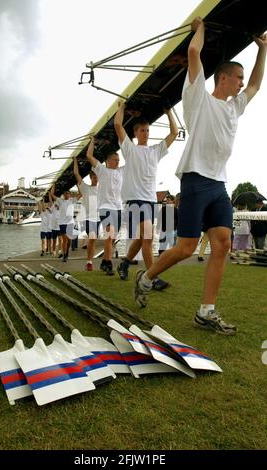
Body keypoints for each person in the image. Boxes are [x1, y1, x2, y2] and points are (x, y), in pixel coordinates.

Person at [134, 17, 267, 335]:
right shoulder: (198, 99)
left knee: (222, 243)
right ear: (222, 78)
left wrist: (263, 49)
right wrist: (201, 27)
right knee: (186, 248)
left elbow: (256, 86)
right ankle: (147, 277)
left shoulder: (235, 108)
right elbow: (194, 54)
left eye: (241, 78)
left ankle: (206, 312)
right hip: (194, 179)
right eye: (237, 77)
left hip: (219, 183)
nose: (240, 83)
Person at [114, 102, 178, 290]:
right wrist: (122, 108)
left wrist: (168, 112)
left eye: (148, 130)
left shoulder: (155, 151)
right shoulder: (130, 149)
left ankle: (125, 263)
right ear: (135, 133)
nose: (146, 133)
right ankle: (152, 278)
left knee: (143, 239)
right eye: (142, 130)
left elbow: (174, 133)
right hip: (135, 200)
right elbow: (118, 125)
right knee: (148, 238)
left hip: (150, 200)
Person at [86, 136, 123, 275]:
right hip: (105, 207)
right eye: (115, 160)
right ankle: (109, 264)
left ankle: (104, 262)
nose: (117, 162)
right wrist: (92, 141)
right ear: (107, 161)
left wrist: (122, 140)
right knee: (109, 236)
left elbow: (131, 160)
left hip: (118, 208)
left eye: (119, 160)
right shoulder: (101, 170)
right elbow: (89, 155)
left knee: (112, 238)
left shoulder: (121, 171)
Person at [73, 156, 100, 271]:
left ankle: (89, 261)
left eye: (97, 178)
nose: (96, 179)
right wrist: (75, 161)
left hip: (98, 219)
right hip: (87, 218)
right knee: (92, 237)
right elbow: (76, 174)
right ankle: (89, 261)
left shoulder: (101, 190)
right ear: (90, 178)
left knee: (93, 240)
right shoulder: (85, 188)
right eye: (94, 177)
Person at [50, 185, 75, 262]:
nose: (66, 195)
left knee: (69, 240)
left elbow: (81, 194)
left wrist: (78, 185)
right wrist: (54, 185)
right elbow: (52, 195)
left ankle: (66, 252)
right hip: (62, 223)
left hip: (70, 223)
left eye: (68, 193)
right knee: (65, 240)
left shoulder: (72, 200)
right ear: (63, 195)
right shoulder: (60, 201)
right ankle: (64, 255)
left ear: (69, 194)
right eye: (65, 193)